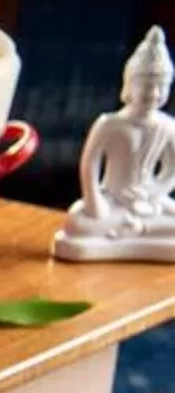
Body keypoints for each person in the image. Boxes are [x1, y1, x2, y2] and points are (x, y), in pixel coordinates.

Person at [59, 27, 175, 261]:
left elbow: (171, 170)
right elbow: (90, 166)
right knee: (77, 222)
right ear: (130, 85)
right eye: (147, 85)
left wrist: (155, 191)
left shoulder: (167, 125)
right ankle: (128, 228)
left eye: (160, 86)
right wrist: (94, 201)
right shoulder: (110, 124)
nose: (153, 93)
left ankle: (137, 230)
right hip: (112, 198)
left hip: (148, 201)